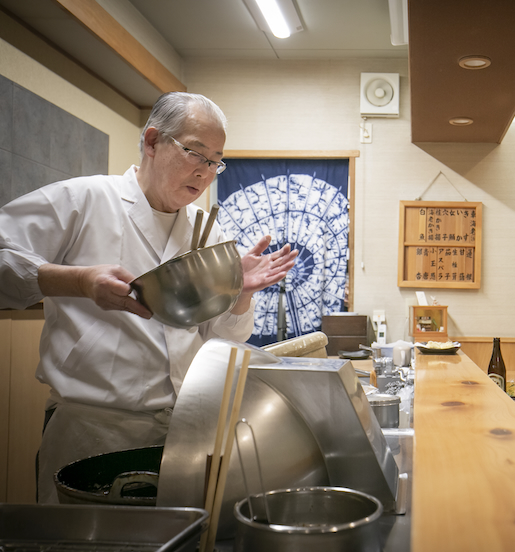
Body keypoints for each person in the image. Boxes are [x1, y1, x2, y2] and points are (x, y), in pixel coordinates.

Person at [0, 91, 298, 503]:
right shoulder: (84, 200)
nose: (206, 173)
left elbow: (223, 341)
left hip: (183, 431)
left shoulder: (205, 230)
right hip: (92, 427)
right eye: (196, 153)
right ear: (153, 142)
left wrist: (239, 296)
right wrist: (79, 281)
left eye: (215, 161)